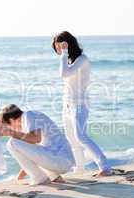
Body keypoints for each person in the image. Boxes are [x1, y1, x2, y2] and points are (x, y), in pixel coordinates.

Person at [52, 31, 111, 176]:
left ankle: (104, 166)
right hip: (67, 105)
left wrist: (64, 53)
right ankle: (80, 168)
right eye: (57, 49)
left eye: (59, 47)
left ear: (67, 44)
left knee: (81, 136)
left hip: (79, 104)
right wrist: (64, 55)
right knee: (71, 139)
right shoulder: (70, 61)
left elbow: (64, 74)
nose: (58, 52)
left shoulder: (82, 59)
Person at [0, 104, 75, 185]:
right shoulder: (29, 119)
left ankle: (40, 178)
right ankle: (54, 177)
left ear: (11, 120)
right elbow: (32, 155)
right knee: (15, 142)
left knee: (12, 143)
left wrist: (10, 132)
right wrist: (19, 177)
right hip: (61, 161)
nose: (12, 128)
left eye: (9, 126)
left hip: (60, 160)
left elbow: (36, 138)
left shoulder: (29, 115)